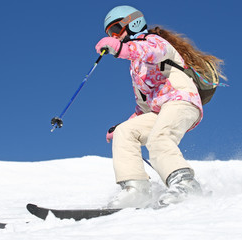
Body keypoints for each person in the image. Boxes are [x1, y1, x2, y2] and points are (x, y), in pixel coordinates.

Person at [95, 6, 225, 208]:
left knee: (158, 138)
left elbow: (150, 52)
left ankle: (186, 184)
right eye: (111, 34)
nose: (115, 37)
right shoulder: (136, 68)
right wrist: (124, 125)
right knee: (125, 132)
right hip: (160, 111)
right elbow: (143, 106)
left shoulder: (153, 43)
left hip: (182, 100)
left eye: (116, 29)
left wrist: (121, 50)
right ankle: (136, 190)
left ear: (133, 23)